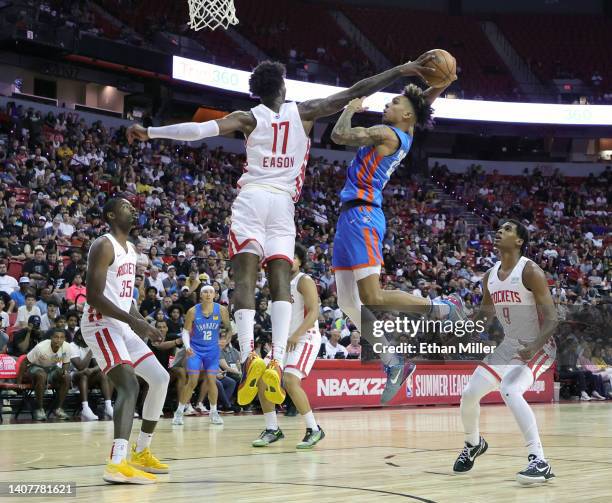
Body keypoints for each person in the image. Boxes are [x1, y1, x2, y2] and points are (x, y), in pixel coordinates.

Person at [127, 54, 439, 408]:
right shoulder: (303, 111)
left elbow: (199, 131)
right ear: (283, 88)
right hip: (283, 205)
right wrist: (400, 70)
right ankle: (275, 358)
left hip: (252, 198)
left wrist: (150, 130)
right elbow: (356, 89)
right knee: (280, 282)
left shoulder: (247, 117)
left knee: (244, 280)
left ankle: (249, 358)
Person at [329, 58, 466, 403]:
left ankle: (439, 307)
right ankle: (394, 362)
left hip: (363, 216)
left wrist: (350, 108)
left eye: (394, 102)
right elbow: (420, 108)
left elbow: (338, 134)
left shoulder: (386, 134)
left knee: (372, 297)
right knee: (348, 302)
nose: (388, 103)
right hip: (349, 218)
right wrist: (441, 84)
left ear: (404, 116)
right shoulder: (406, 129)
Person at [452, 220, 557, 485]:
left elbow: (553, 317)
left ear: (519, 241)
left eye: (508, 229)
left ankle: (539, 460)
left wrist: (534, 346)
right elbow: (485, 317)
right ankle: (473, 444)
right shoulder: (489, 276)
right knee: (469, 394)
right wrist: (462, 328)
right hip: (509, 344)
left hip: (539, 344)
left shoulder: (530, 271)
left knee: (510, 390)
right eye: (500, 228)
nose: (500, 231)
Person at [81, 198, 169, 484]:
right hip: (100, 323)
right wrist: (134, 322)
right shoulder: (103, 244)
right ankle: (116, 462)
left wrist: (142, 322)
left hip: (122, 324)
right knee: (129, 384)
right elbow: (94, 296)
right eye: (125, 206)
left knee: (160, 378)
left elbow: (124, 297)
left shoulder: (131, 250)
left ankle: (141, 451)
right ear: (110, 214)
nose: (132, 209)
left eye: (133, 206)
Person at [253, 244, 324, 449]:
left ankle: (314, 429)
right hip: (284, 340)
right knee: (262, 378)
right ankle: (272, 429)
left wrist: (297, 334)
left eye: (293, 257)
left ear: (301, 260)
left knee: (291, 381)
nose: (289, 260)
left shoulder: (304, 280)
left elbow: (313, 312)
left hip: (305, 337)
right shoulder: (279, 284)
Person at [173, 285, 231, 426]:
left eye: (211, 292)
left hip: (212, 351)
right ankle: (179, 412)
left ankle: (214, 412)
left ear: (215, 295)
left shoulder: (222, 310)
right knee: (192, 381)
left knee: (212, 381)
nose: (208, 294)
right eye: (205, 291)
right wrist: (187, 347)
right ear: (200, 295)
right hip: (195, 350)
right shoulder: (193, 311)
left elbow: (229, 329)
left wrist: (226, 340)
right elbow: (185, 331)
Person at [16, 328, 71, 421]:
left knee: (66, 376)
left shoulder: (67, 346)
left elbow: (66, 362)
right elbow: (25, 362)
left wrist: (64, 371)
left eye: (62, 337)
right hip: (34, 367)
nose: (59, 340)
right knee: (42, 375)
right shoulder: (41, 347)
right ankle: (39, 409)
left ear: (64, 339)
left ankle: (58, 409)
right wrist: (18, 382)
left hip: (51, 368)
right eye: (56, 337)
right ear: (51, 338)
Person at [70, 329, 114, 420]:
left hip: (86, 375)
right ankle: (85, 409)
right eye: (88, 336)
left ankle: (108, 407)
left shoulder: (91, 346)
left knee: (104, 374)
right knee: (83, 374)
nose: (91, 338)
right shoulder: (72, 346)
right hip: (72, 376)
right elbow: (80, 367)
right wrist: (91, 350)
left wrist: (92, 369)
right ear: (80, 337)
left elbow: (99, 365)